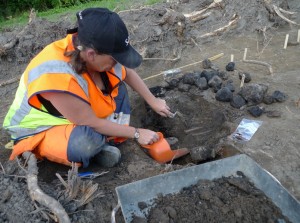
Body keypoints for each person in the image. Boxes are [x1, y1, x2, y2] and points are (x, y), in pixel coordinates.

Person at [3, 8, 172, 168]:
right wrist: (136, 133)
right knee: (84, 144)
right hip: (41, 128)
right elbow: (88, 121)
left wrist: (153, 100)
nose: (117, 63)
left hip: (80, 112)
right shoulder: (57, 76)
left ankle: (110, 137)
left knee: (115, 82)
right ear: (91, 54)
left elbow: (126, 72)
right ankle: (98, 145)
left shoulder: (94, 51)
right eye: (114, 59)